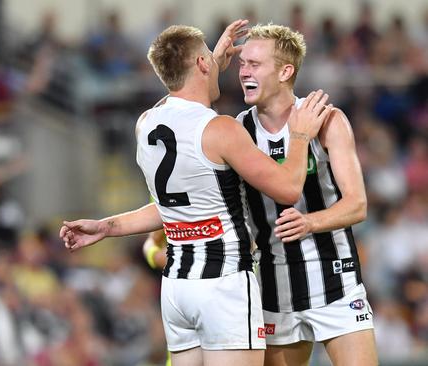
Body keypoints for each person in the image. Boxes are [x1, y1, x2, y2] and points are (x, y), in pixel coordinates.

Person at [61, 20, 333, 366]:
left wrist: (106, 227)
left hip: (177, 288)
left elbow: (169, 205)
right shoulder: (221, 129)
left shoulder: (146, 123)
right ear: (202, 65)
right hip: (223, 283)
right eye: (209, 56)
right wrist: (300, 136)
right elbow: (289, 188)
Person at [236, 24, 378, 365]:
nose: (243, 72)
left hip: (336, 281)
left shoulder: (328, 120)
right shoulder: (237, 131)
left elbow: (357, 204)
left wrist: (309, 223)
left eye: (254, 64)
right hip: (274, 285)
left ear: (285, 71)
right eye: (241, 63)